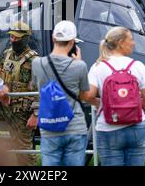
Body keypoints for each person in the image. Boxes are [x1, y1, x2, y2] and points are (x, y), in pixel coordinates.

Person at [32, 20, 98, 166]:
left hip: (49, 126)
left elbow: (36, 86)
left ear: (53, 38)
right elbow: (84, 96)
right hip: (74, 126)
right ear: (72, 42)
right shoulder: (79, 66)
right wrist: (78, 62)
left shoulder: (37, 63)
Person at [88, 26, 145, 166]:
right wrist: (134, 106)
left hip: (107, 127)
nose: (134, 43)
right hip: (137, 126)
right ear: (120, 42)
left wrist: (101, 104)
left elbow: (87, 95)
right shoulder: (137, 66)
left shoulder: (98, 66)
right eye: (131, 39)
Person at [0, 21, 39, 166]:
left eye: (16, 37)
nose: (13, 40)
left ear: (25, 38)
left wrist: (35, 114)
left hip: (22, 112)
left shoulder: (34, 60)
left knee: (23, 151)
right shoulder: (6, 54)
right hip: (3, 105)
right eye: (11, 36)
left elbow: (41, 88)